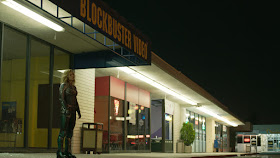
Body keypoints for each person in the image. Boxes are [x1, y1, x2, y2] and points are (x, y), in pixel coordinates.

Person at [57, 69, 81, 158]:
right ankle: (59, 152)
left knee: (70, 132)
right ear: (67, 76)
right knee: (63, 131)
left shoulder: (73, 87)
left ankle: (67, 151)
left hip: (73, 111)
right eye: (71, 74)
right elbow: (61, 98)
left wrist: (78, 111)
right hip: (65, 111)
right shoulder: (63, 86)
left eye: (73, 74)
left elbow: (75, 100)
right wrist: (66, 109)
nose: (72, 76)